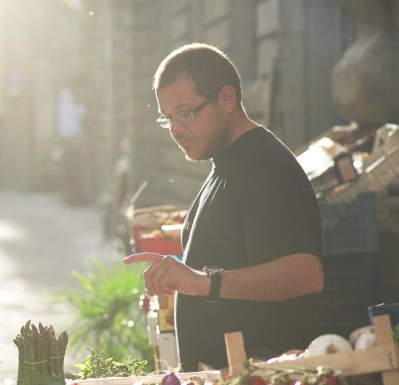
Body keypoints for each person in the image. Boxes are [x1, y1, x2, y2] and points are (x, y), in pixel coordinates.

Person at [124, 43, 324, 371]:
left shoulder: (263, 166)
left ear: (227, 99)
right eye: (168, 118)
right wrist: (182, 272)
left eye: (186, 112)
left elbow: (305, 274)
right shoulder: (226, 160)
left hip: (260, 373)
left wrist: (204, 282)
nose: (176, 129)